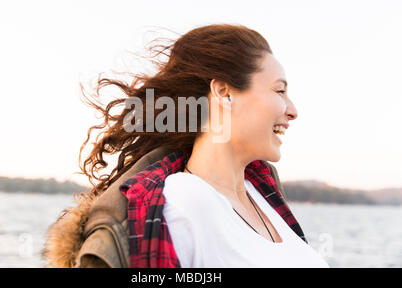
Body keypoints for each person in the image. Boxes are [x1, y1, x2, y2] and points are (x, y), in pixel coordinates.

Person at [42, 23, 329, 268]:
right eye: (279, 90)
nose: (292, 110)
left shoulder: (264, 195)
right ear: (224, 93)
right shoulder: (185, 204)